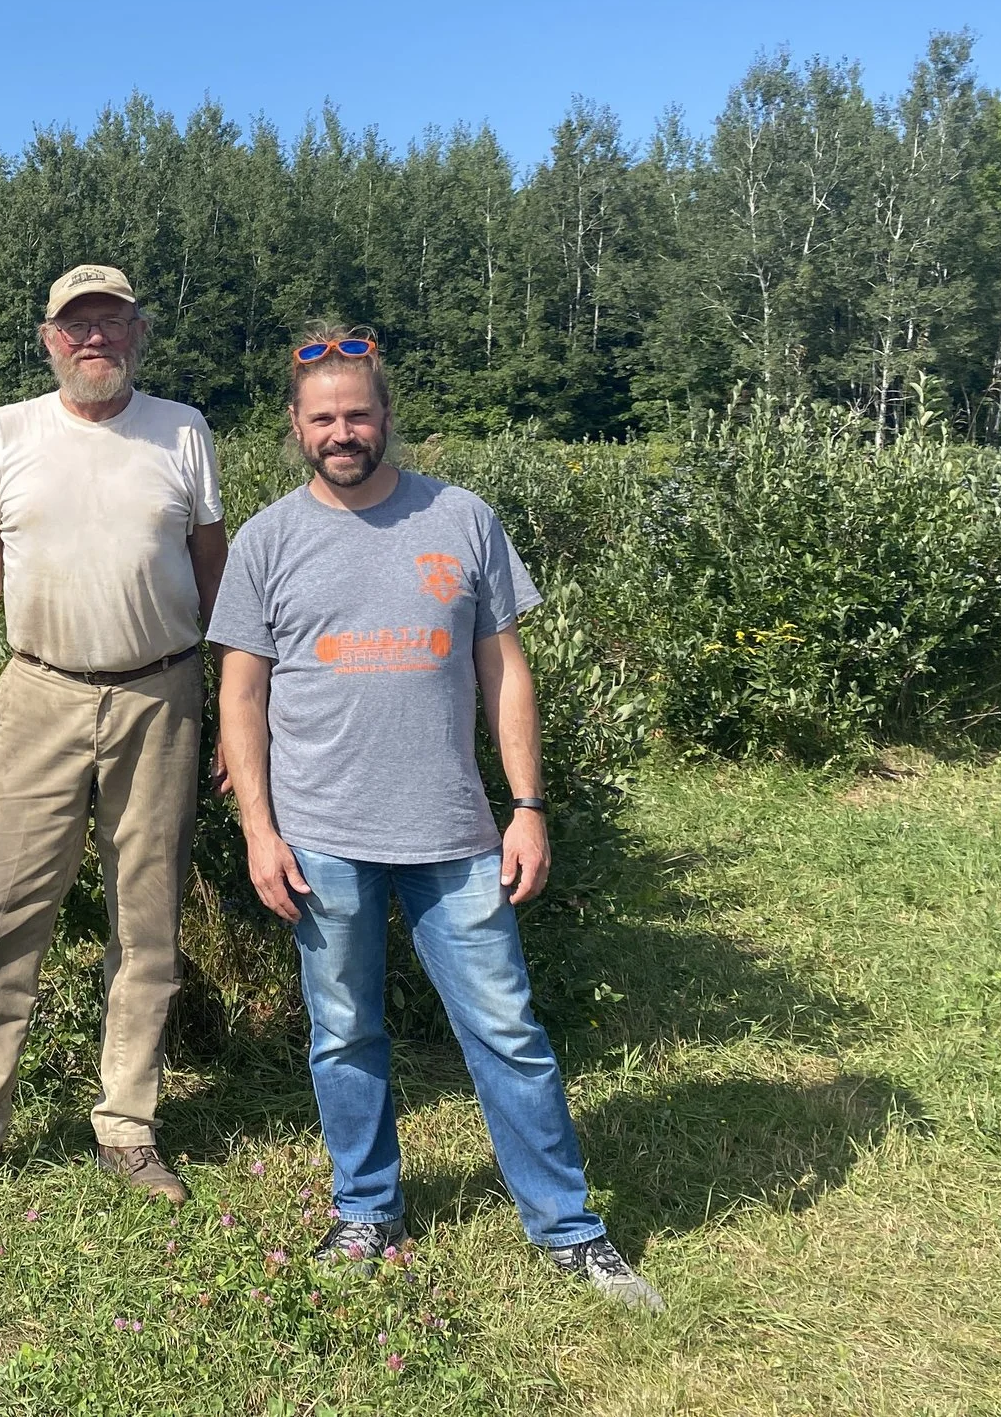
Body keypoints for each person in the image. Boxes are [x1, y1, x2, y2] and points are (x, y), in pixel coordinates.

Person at [208, 326, 665, 1313]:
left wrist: (527, 807)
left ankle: (569, 1229)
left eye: (358, 413)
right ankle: (366, 1211)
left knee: (506, 1031)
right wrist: (258, 828)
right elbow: (239, 696)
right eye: (322, 417)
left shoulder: (462, 520)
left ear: (386, 418)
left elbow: (503, 673)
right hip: (321, 836)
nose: (343, 431)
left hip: (454, 835)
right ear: (295, 427)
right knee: (342, 1033)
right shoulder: (264, 540)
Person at [0, 265, 229, 1210]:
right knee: (5, 913)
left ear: (139, 332)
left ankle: (128, 1122)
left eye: (111, 321)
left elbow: (216, 578)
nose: (94, 339)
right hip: (38, 694)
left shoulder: (183, 430)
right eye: (77, 324)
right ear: (48, 339)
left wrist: (236, 710)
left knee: (145, 918)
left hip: (162, 694)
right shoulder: (7, 432)